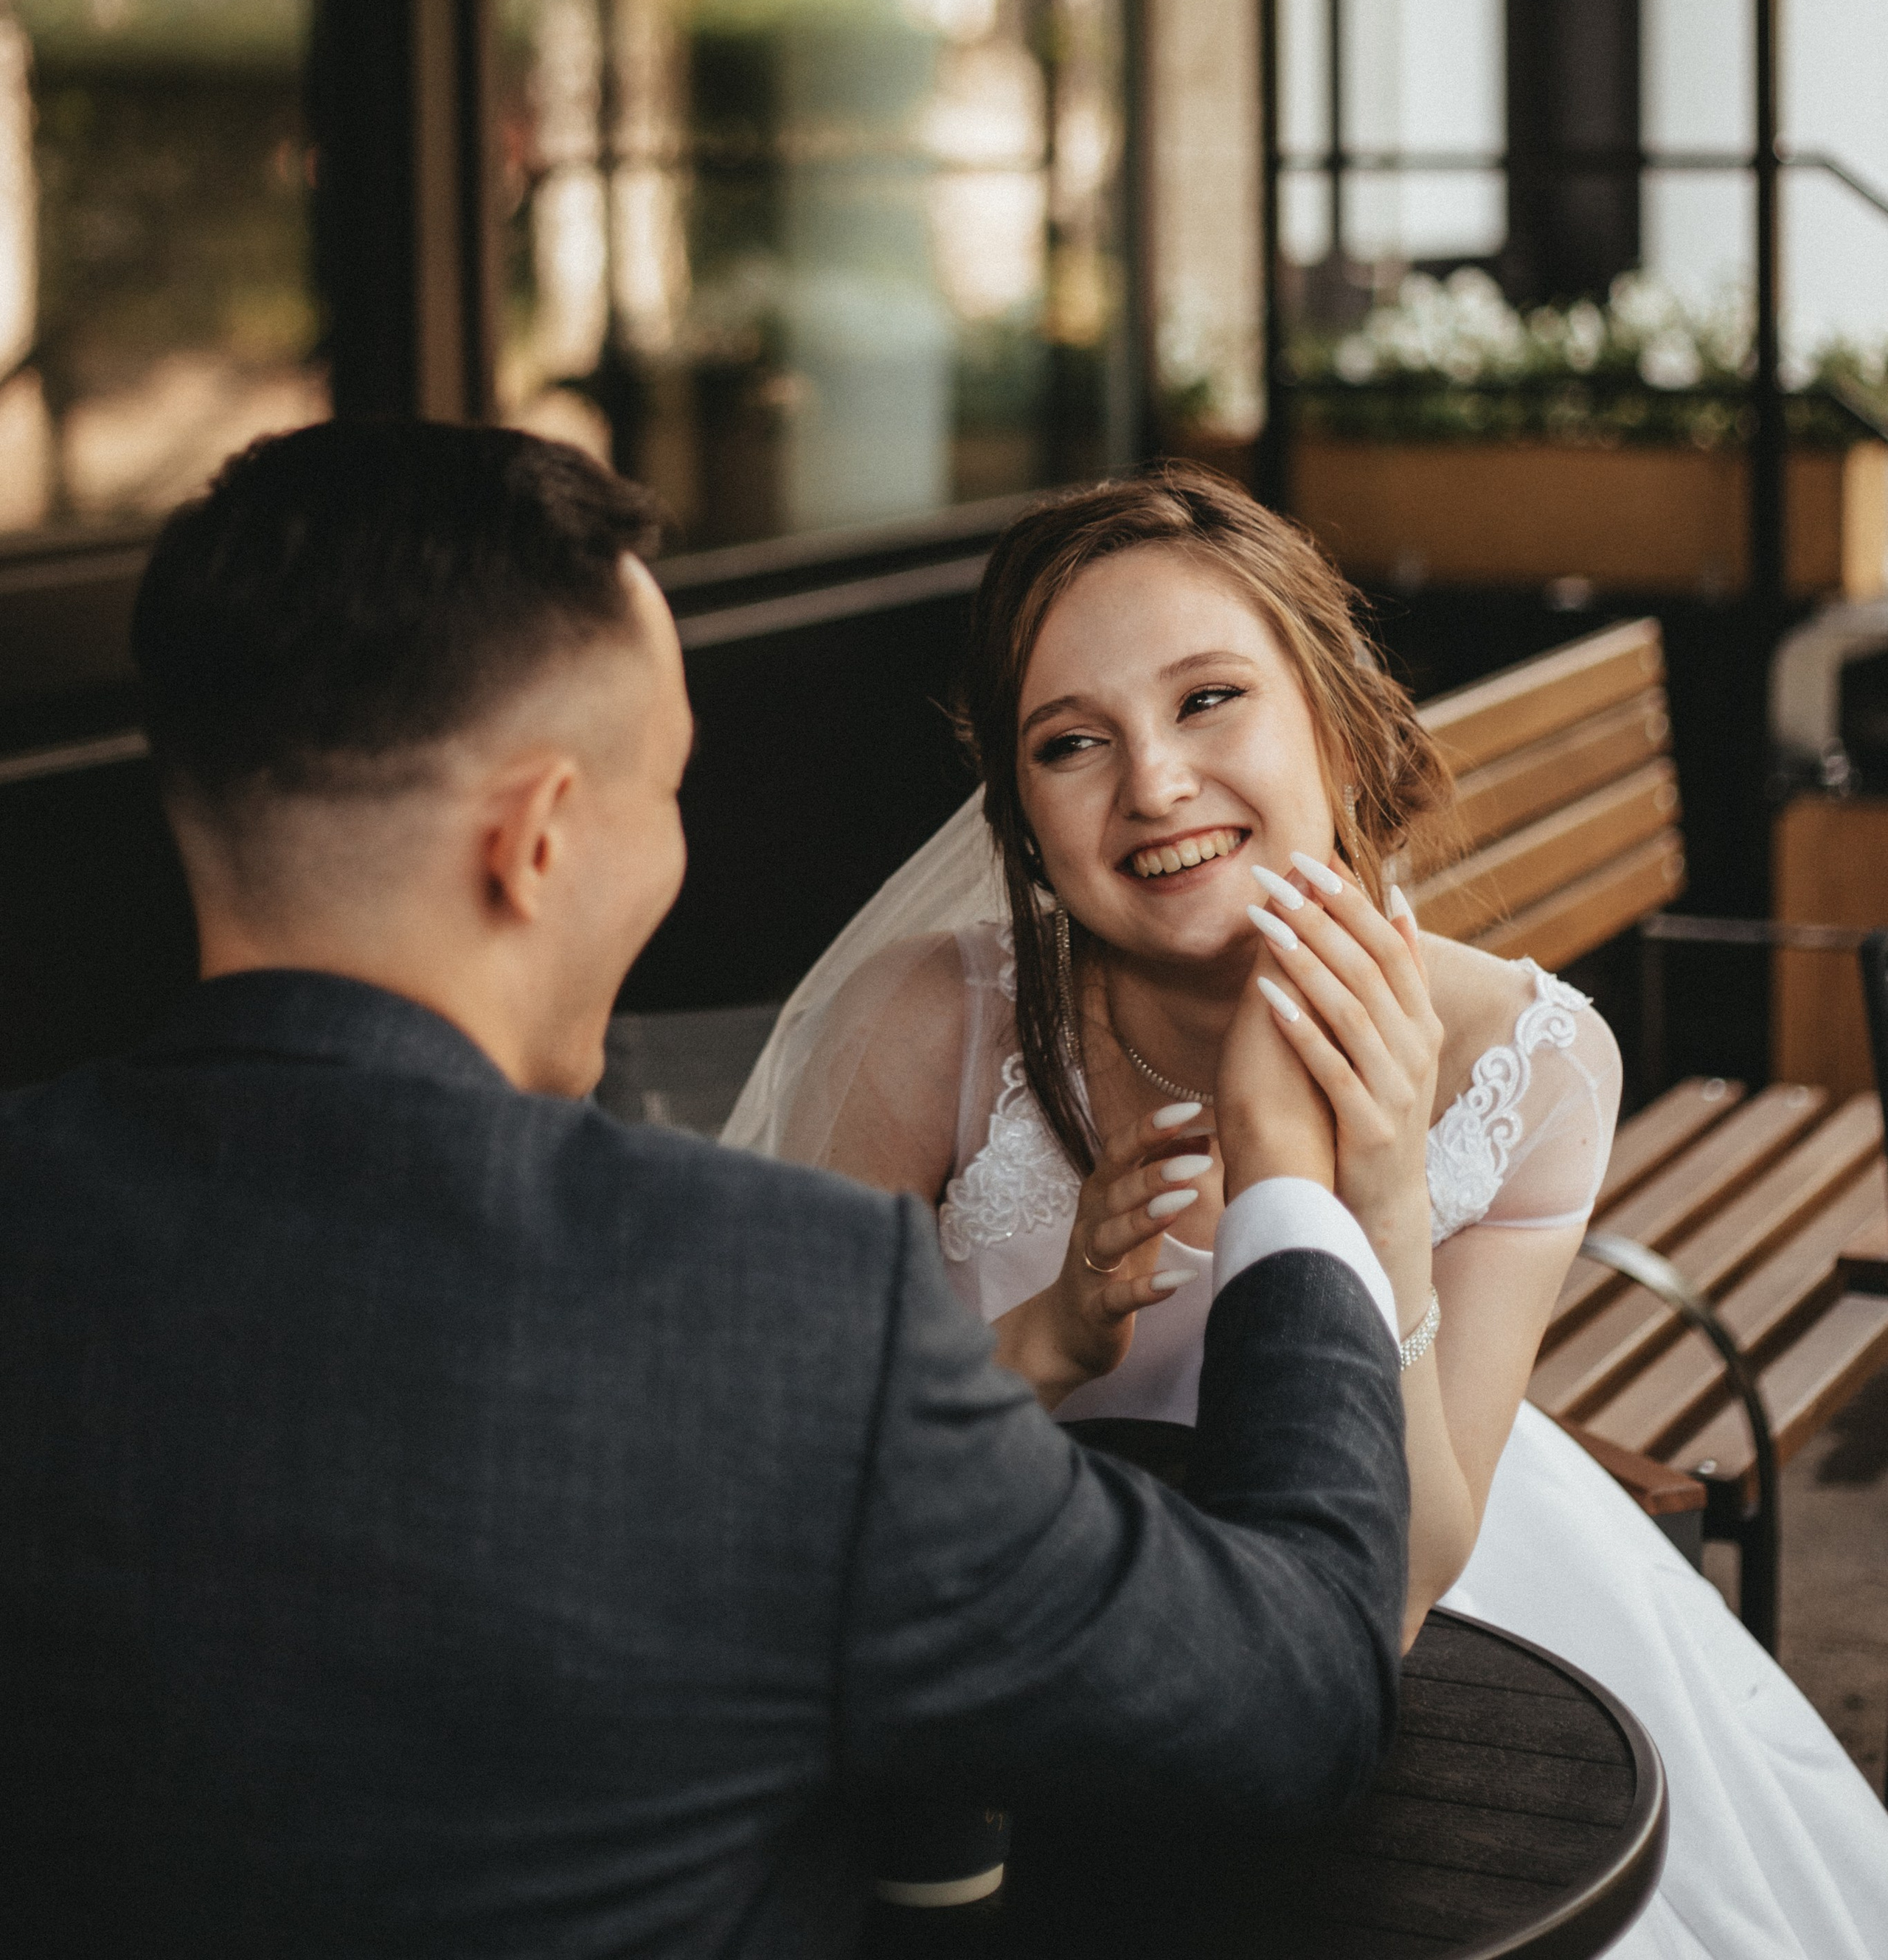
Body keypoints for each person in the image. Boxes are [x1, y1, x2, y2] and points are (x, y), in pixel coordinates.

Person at [0, 421, 1412, 1959]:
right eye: (663, 787)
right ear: (537, 841)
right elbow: (1298, 1701)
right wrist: (1284, 1168)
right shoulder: (773, 1319)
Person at [729, 461, 1888, 1960]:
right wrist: (1049, 1341)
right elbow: (786, 1483)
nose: (1151, 783)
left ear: (1331, 714)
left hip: (1431, 1639)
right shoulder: (926, 1032)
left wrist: (1385, 1198)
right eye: (1070, 742)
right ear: (1016, 814)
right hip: (1012, 1656)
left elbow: (1393, 1594)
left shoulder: (1525, 1067)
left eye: (1209, 699)